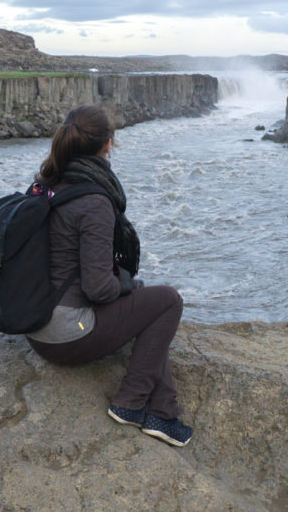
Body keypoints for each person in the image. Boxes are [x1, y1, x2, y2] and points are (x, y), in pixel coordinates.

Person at [25, 104, 193, 447]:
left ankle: (163, 410)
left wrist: (127, 291)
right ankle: (132, 403)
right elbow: (98, 288)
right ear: (107, 145)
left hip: (34, 326)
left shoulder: (45, 184)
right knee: (167, 302)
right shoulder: (95, 201)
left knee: (143, 305)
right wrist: (126, 286)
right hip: (66, 337)